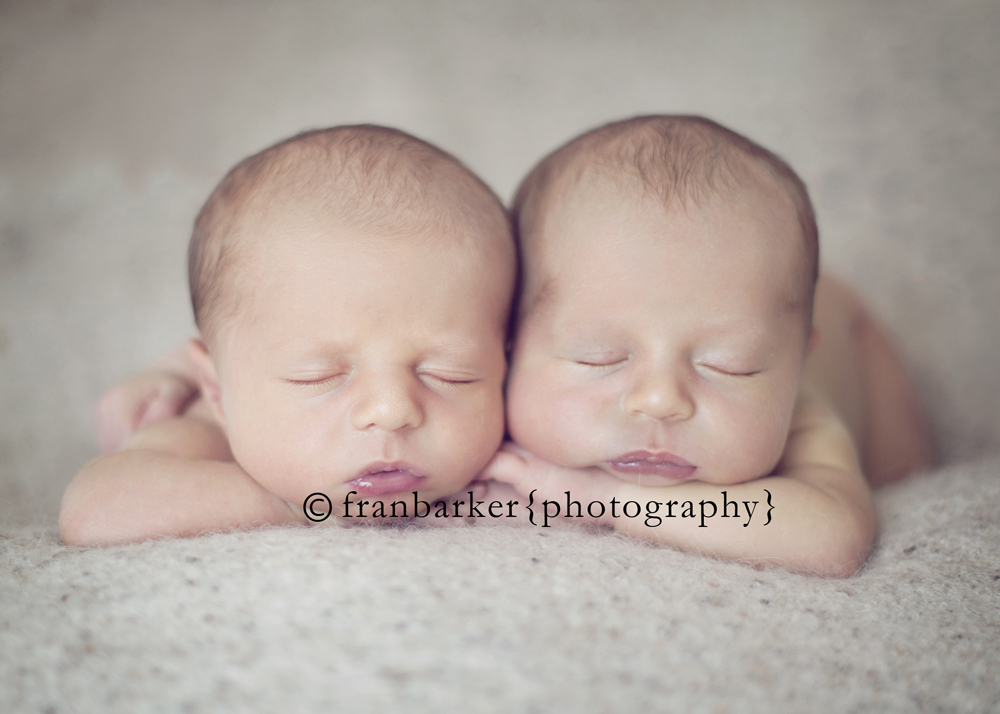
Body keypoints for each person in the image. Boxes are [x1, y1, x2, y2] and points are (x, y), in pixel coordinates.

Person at [482, 115, 934, 577]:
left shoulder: (800, 413)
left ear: (796, 366)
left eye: (730, 366)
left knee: (904, 475)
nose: (660, 400)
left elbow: (832, 537)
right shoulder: (481, 390)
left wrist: (598, 498)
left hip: (854, 333)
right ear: (508, 348)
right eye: (599, 357)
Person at [60, 125, 515, 546]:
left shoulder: (515, 413)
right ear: (218, 391)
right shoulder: (208, 431)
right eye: (317, 377)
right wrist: (301, 505)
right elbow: (96, 510)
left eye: (451, 375)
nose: (392, 410)